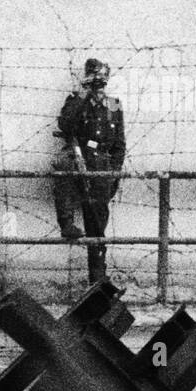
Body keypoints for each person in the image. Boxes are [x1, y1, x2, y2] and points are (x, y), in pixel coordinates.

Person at [53, 58, 126, 283]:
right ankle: (66, 223)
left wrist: (113, 173)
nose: (99, 89)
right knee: (62, 168)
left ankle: (98, 278)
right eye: (95, 84)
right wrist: (83, 93)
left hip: (101, 166)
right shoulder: (76, 100)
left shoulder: (114, 105)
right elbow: (65, 125)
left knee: (97, 224)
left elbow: (119, 145)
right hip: (79, 159)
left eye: (102, 84)